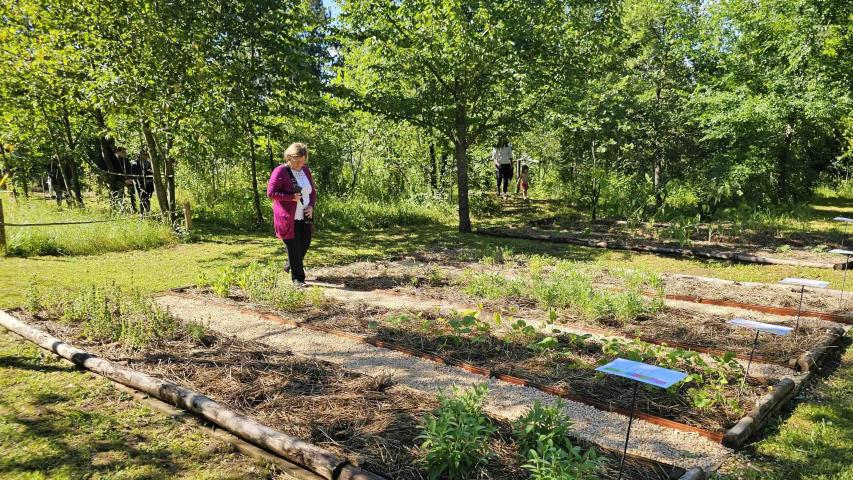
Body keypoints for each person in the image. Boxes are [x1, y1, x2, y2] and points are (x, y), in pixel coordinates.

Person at [267, 142, 317, 286]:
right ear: (289, 157)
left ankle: (290, 266)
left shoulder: (305, 171)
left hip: (305, 214)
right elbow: (271, 193)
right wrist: (290, 197)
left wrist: (311, 206)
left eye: (303, 161)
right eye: (298, 161)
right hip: (288, 217)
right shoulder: (280, 171)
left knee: (305, 243)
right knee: (294, 247)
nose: (300, 164)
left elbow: (312, 192)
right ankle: (298, 279)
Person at [115, 146, 138, 213]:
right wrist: (124, 180)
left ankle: (134, 208)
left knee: (132, 193)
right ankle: (121, 209)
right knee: (120, 194)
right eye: (123, 152)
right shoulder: (116, 161)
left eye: (125, 152)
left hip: (128, 179)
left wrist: (130, 179)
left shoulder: (126, 160)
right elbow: (116, 172)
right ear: (118, 152)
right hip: (120, 180)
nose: (125, 153)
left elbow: (129, 171)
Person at [133, 150, 155, 214]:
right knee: (142, 198)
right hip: (140, 183)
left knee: (148, 198)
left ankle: (148, 211)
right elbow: (134, 174)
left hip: (149, 183)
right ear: (140, 155)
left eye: (146, 154)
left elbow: (151, 172)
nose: (146, 156)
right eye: (145, 155)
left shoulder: (148, 162)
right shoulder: (135, 163)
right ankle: (142, 213)